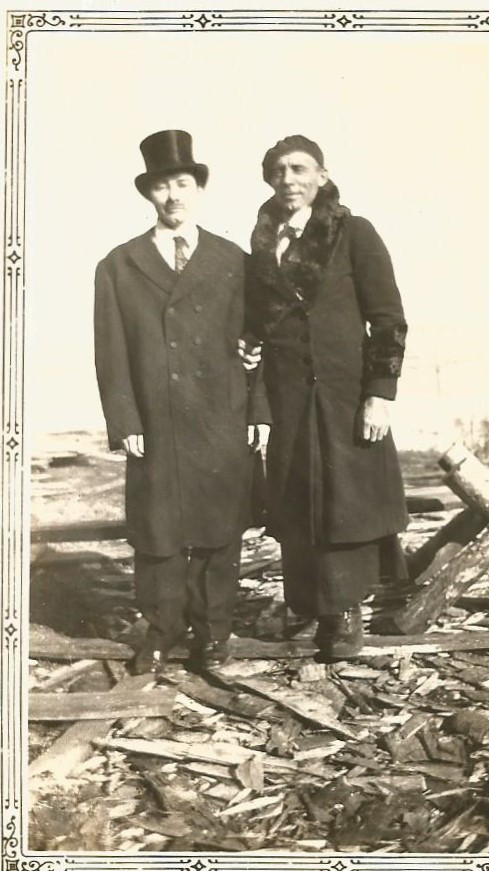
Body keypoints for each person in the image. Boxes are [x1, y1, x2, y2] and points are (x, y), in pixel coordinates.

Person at [94, 130, 268, 674]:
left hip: (221, 412)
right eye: (163, 186)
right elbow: (110, 352)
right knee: (158, 529)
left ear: (198, 189)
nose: (173, 196)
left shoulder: (233, 260)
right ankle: (162, 629)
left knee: (220, 527)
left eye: (183, 184)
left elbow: (259, 344)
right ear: (149, 193)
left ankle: (215, 631)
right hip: (156, 418)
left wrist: (259, 410)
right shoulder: (118, 265)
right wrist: (124, 419)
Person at [245, 134, 409, 661]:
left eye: (299, 169)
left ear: (321, 174)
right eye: (278, 171)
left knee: (345, 506)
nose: (288, 179)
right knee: (298, 506)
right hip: (289, 398)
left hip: (344, 397)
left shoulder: (352, 231)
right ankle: (315, 608)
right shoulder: (263, 242)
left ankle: (346, 615)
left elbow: (387, 319)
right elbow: (259, 323)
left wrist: (379, 395)